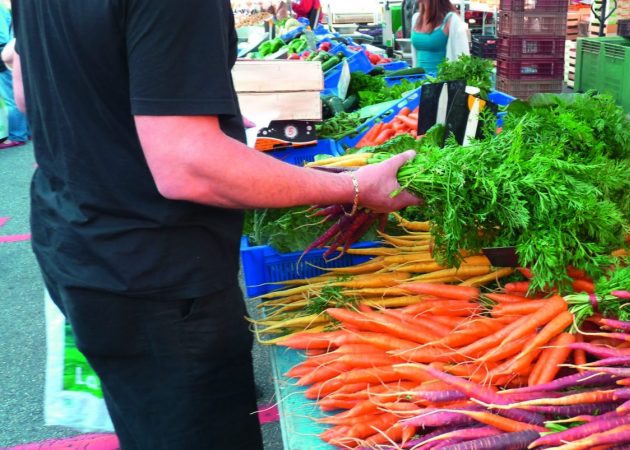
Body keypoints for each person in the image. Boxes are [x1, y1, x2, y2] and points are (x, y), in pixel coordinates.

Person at [11, 0, 419, 449]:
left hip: (74, 241)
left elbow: (32, 91)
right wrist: (355, 188)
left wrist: (197, 115)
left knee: (148, 426)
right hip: (156, 275)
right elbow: (187, 165)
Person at [410, 0, 470, 72]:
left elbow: (463, 60)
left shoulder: (452, 20)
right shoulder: (416, 19)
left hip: (441, 81)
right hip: (417, 81)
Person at [0, 1, 26, 148]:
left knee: (12, 99)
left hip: (5, 59)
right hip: (10, 55)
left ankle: (17, 135)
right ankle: (25, 132)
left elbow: (2, 37)